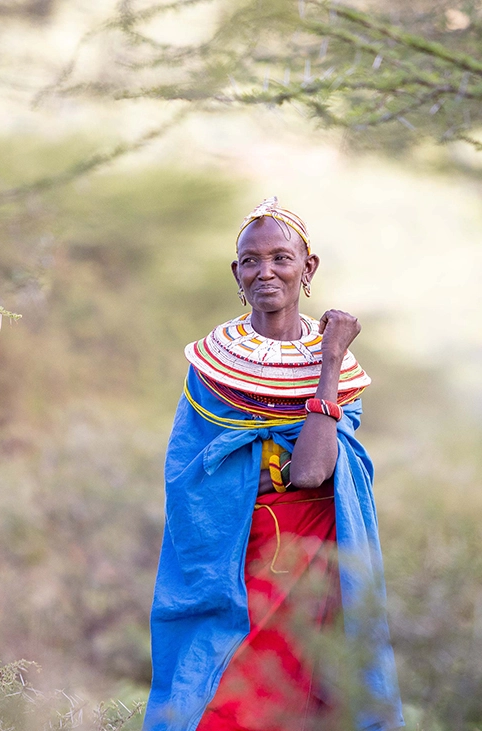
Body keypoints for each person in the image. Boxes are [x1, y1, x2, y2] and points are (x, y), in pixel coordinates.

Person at [143, 198, 404, 731]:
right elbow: (191, 474)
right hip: (238, 556)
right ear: (235, 273)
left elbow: (314, 472)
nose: (266, 271)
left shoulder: (339, 363)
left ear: (308, 269)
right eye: (250, 260)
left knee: (311, 692)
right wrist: (275, 463)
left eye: (282, 258)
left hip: (320, 561)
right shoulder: (212, 366)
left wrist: (328, 359)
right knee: (230, 700)